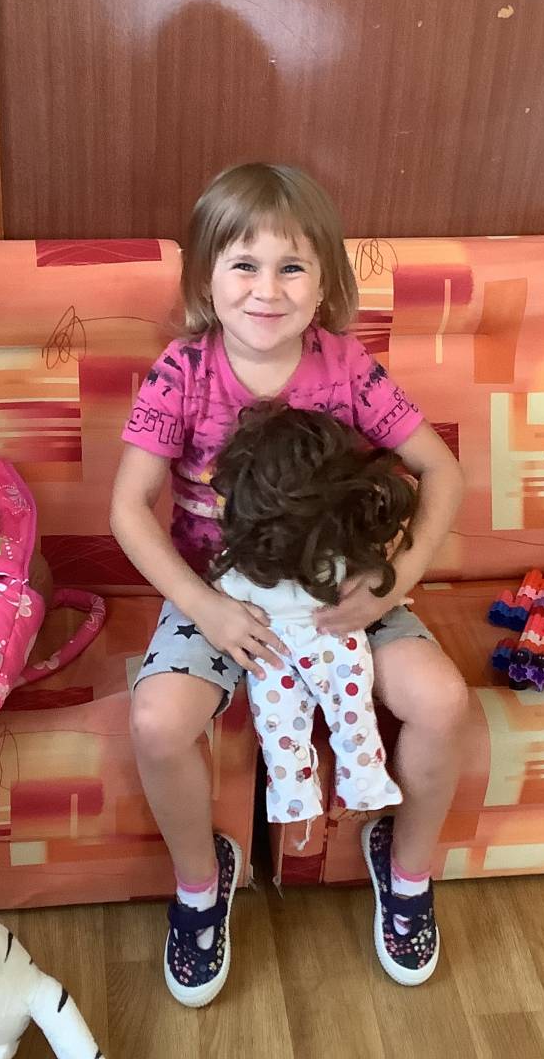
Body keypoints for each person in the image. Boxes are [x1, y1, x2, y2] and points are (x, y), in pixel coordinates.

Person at [109, 162, 469, 1006]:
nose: (267, 290)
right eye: (244, 265)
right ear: (205, 278)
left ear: (325, 283)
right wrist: (205, 608)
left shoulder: (345, 367)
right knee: (157, 722)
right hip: (219, 598)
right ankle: (201, 883)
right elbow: (127, 508)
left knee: (443, 701)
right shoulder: (182, 371)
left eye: (291, 267)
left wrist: (394, 581)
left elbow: (441, 472)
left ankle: (405, 869)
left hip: (341, 590)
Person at [208, 403, 414, 828]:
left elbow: (221, 588)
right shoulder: (260, 563)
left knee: (307, 721)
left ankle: (326, 790)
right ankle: (323, 790)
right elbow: (220, 593)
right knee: (314, 720)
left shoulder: (326, 554)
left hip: (302, 644)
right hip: (297, 646)